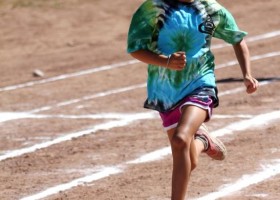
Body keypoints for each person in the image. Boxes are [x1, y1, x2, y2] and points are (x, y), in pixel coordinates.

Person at [127, 0, 259, 199]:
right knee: (190, 159)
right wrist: (166, 62)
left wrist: (247, 74)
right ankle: (203, 141)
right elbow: (135, 48)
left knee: (180, 139)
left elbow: (236, 38)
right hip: (165, 92)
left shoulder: (210, 8)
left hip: (200, 84)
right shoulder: (153, 9)